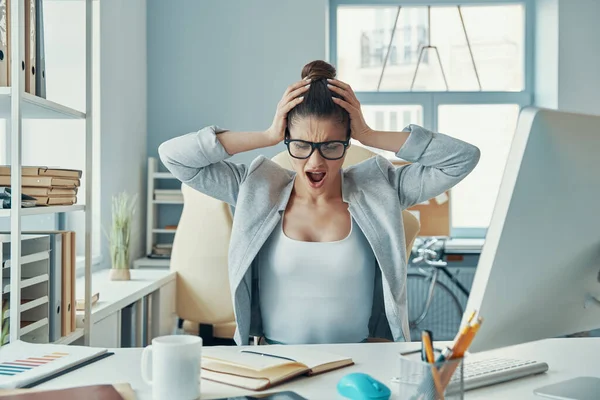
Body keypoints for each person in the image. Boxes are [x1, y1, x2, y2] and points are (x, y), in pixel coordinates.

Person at [158, 60, 480, 346]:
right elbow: (175, 157)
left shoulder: (381, 188)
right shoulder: (255, 189)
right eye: (301, 145)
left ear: (346, 142)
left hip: (360, 362)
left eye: (330, 146)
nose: (316, 161)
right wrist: (268, 135)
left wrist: (368, 134)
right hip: (277, 364)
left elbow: (462, 159)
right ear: (288, 139)